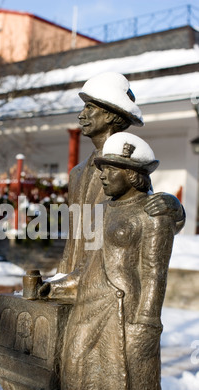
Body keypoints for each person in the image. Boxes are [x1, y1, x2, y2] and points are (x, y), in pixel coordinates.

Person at [60, 132, 176, 390]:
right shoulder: (103, 210)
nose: (103, 176)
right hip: (91, 303)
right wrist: (55, 287)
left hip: (124, 308)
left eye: (111, 169)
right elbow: (89, 262)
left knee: (116, 379)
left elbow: (154, 273)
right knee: (78, 364)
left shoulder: (153, 213)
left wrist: (147, 322)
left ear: (132, 174)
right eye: (101, 168)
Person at [42, 72, 185, 300]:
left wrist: (174, 208)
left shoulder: (128, 169)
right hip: (73, 282)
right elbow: (74, 237)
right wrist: (62, 277)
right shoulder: (77, 173)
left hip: (109, 287)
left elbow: (147, 216)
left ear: (110, 115)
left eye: (90, 108)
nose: (81, 116)